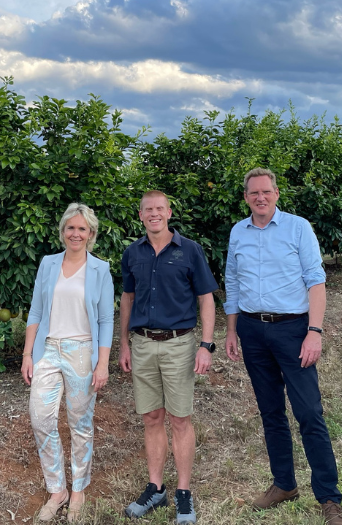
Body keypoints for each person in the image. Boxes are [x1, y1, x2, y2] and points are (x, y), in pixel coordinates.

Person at [223, 168, 342, 525]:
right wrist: (231, 331)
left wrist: (315, 331)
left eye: (266, 191)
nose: (260, 198)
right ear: (246, 197)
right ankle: (284, 484)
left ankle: (328, 497)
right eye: (253, 193)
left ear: (276, 194)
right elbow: (233, 281)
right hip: (252, 330)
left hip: (293, 330)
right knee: (271, 412)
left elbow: (316, 281)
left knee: (309, 413)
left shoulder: (298, 228)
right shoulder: (237, 232)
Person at [118, 190, 218, 525]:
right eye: (148, 210)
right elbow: (128, 299)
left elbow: (206, 299)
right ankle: (156, 488)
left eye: (160, 208)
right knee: (151, 418)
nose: (154, 214)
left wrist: (206, 345)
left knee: (179, 420)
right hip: (143, 344)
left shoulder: (189, 250)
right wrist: (124, 344)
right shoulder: (132, 252)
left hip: (179, 345)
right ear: (141, 214)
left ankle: (184, 494)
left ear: (169, 212)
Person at [21, 203, 114, 523]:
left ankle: (78, 491)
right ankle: (57, 489)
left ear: (91, 234)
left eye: (82, 228)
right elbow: (35, 312)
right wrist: (27, 354)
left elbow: (105, 320)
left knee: (80, 424)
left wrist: (102, 364)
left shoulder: (100, 270)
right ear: (63, 232)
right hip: (48, 351)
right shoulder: (48, 264)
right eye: (70, 228)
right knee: (40, 418)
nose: (76, 233)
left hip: (81, 353)